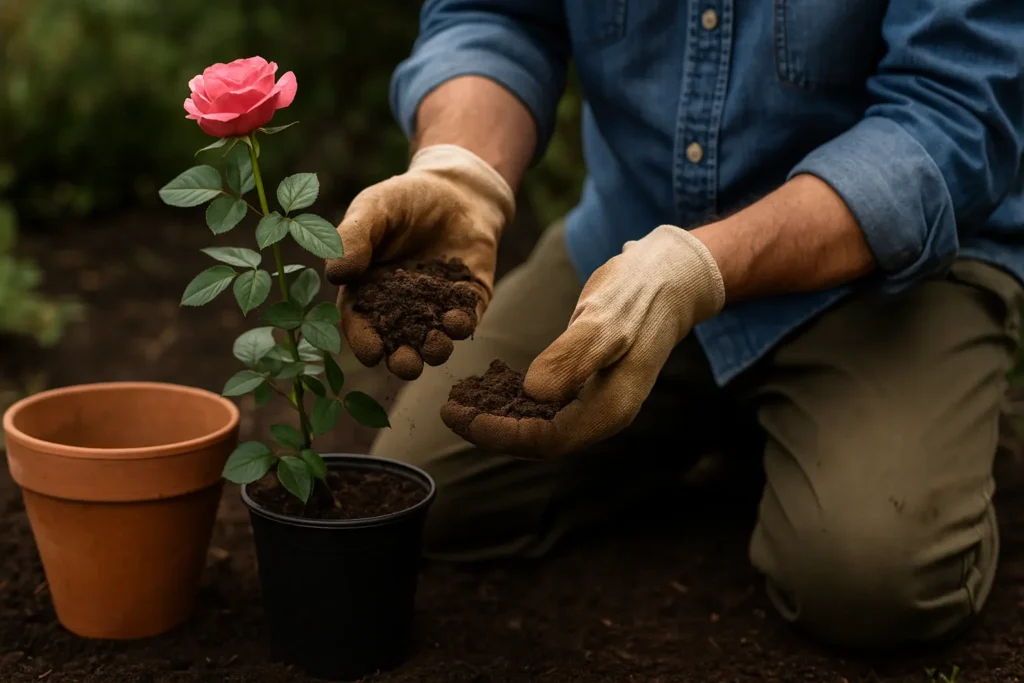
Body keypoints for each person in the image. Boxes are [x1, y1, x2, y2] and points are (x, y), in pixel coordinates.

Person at [325, 1, 1024, 649]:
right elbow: (497, 13)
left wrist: (699, 269)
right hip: (631, 246)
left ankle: (920, 418)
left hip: (883, 272)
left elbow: (954, 111)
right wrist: (462, 172)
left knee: (872, 574)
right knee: (430, 493)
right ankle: (745, 428)